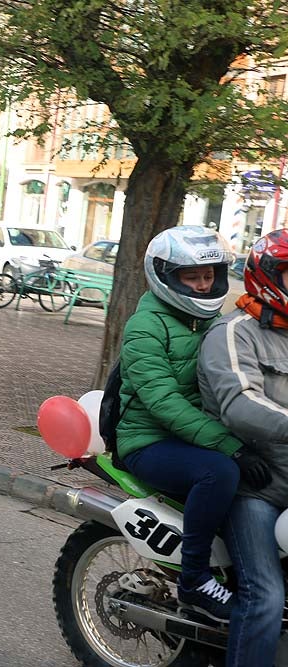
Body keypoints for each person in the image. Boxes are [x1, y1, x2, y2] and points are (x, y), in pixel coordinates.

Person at [116, 225, 244, 623]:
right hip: (147, 440)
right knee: (220, 472)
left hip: (195, 432)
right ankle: (194, 581)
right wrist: (228, 444)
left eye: (209, 276)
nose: (204, 286)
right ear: (166, 276)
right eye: (192, 277)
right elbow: (163, 402)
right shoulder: (145, 327)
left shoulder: (210, 322)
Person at [198, 229, 288, 666]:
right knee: (266, 595)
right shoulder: (234, 333)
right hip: (258, 486)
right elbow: (241, 405)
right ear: (269, 277)